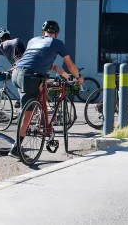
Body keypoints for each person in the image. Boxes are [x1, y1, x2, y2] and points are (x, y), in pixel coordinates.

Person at [8, 20, 84, 158]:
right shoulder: (57, 43)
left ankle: (36, 113)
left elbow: (53, 67)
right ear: (57, 33)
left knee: (38, 91)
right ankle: (16, 148)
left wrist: (67, 76)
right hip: (30, 76)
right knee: (27, 116)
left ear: (43, 33)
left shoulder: (33, 41)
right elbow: (70, 65)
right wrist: (78, 77)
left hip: (16, 74)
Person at [0, 28, 26, 108]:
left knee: (18, 79)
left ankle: (23, 102)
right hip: (24, 63)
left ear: (0, 39)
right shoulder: (16, 41)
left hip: (19, 65)